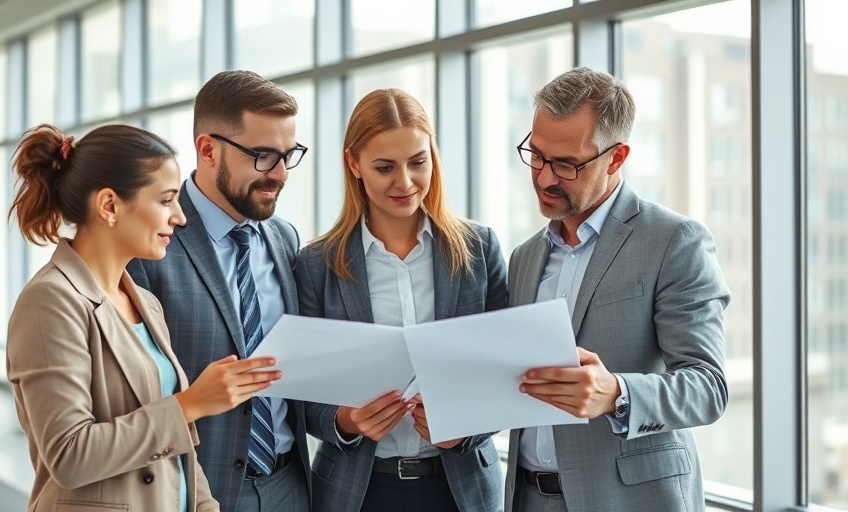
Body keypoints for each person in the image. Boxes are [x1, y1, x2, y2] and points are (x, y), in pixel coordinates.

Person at [7, 124, 281, 512]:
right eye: (166, 200)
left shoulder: (146, 303)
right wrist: (190, 404)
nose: (180, 217)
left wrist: (205, 505)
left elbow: (177, 446)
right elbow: (69, 456)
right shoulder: (50, 301)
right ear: (109, 205)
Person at [503, 66, 731, 511]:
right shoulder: (524, 257)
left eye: (566, 164)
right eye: (536, 154)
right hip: (527, 498)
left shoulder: (673, 241)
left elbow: (709, 388)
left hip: (629, 500)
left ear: (617, 157)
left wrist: (617, 395)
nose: (545, 177)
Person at [294, 88, 507, 512]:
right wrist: (344, 421)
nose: (405, 183)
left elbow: (507, 370)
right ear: (353, 163)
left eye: (418, 162)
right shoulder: (317, 264)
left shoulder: (479, 248)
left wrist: (466, 428)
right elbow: (299, 392)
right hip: (358, 492)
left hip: (459, 489)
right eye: (384, 167)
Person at [126, 70, 311, 512]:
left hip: (291, 484)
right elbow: (129, 397)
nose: (281, 174)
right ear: (208, 150)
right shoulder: (149, 245)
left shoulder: (284, 238)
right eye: (263, 156)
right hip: (196, 489)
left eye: (289, 155)